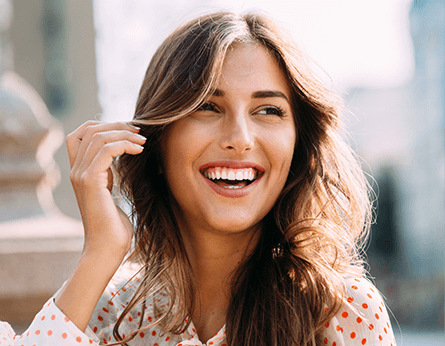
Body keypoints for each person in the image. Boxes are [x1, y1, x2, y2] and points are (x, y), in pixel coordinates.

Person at [0, 11, 397, 346]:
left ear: (297, 146)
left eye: (268, 111)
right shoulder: (107, 315)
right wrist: (99, 254)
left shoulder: (341, 313)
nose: (240, 139)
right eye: (207, 106)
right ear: (155, 142)